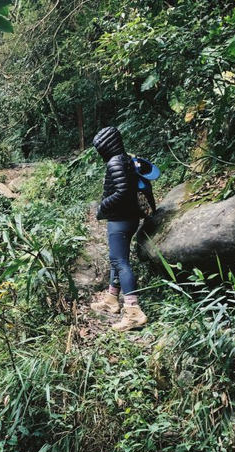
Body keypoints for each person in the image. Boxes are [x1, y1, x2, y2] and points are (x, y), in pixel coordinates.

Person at [90, 126, 148, 331]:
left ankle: (133, 312)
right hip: (129, 217)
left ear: (106, 145)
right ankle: (112, 299)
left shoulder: (115, 162)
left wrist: (102, 208)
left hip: (120, 219)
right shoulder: (126, 158)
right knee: (117, 260)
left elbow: (122, 192)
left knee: (120, 262)